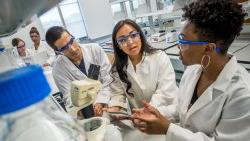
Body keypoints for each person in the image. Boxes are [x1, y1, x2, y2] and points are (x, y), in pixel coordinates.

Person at [132, 0, 250, 140]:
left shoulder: (242, 94)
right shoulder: (194, 69)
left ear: (208, 48)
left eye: (183, 41)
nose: (178, 46)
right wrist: (157, 114)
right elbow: (184, 108)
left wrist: (168, 129)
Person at [106, 19, 178, 118]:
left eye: (133, 35)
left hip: (166, 114)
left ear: (140, 36)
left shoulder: (159, 57)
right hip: (140, 118)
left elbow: (165, 91)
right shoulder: (118, 69)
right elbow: (117, 94)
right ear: (118, 45)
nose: (130, 42)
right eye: (122, 40)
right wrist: (114, 107)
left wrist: (147, 110)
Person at [45, 26, 112, 117]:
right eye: (64, 48)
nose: (72, 49)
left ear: (72, 36)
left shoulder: (95, 49)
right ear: (58, 51)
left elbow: (109, 80)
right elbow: (69, 97)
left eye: (71, 41)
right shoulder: (58, 69)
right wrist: (86, 110)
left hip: (109, 101)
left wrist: (100, 102)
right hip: (87, 112)